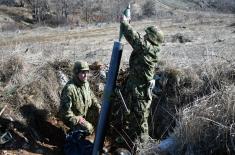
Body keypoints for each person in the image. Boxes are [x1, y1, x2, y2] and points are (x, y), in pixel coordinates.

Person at [120, 15, 164, 142]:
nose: (144, 36)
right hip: (135, 89)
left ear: (152, 38)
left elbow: (135, 38)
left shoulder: (149, 49)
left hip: (141, 93)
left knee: (140, 122)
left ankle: (142, 147)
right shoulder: (148, 48)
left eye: (147, 34)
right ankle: (129, 140)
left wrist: (125, 23)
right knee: (132, 117)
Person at [59, 61, 101, 134]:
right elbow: (65, 112)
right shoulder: (69, 89)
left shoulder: (85, 84)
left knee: (102, 116)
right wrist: (77, 119)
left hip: (84, 114)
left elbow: (92, 96)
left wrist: (98, 106)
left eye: (87, 72)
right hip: (73, 119)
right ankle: (73, 133)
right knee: (89, 128)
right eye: (83, 73)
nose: (85, 75)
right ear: (76, 73)